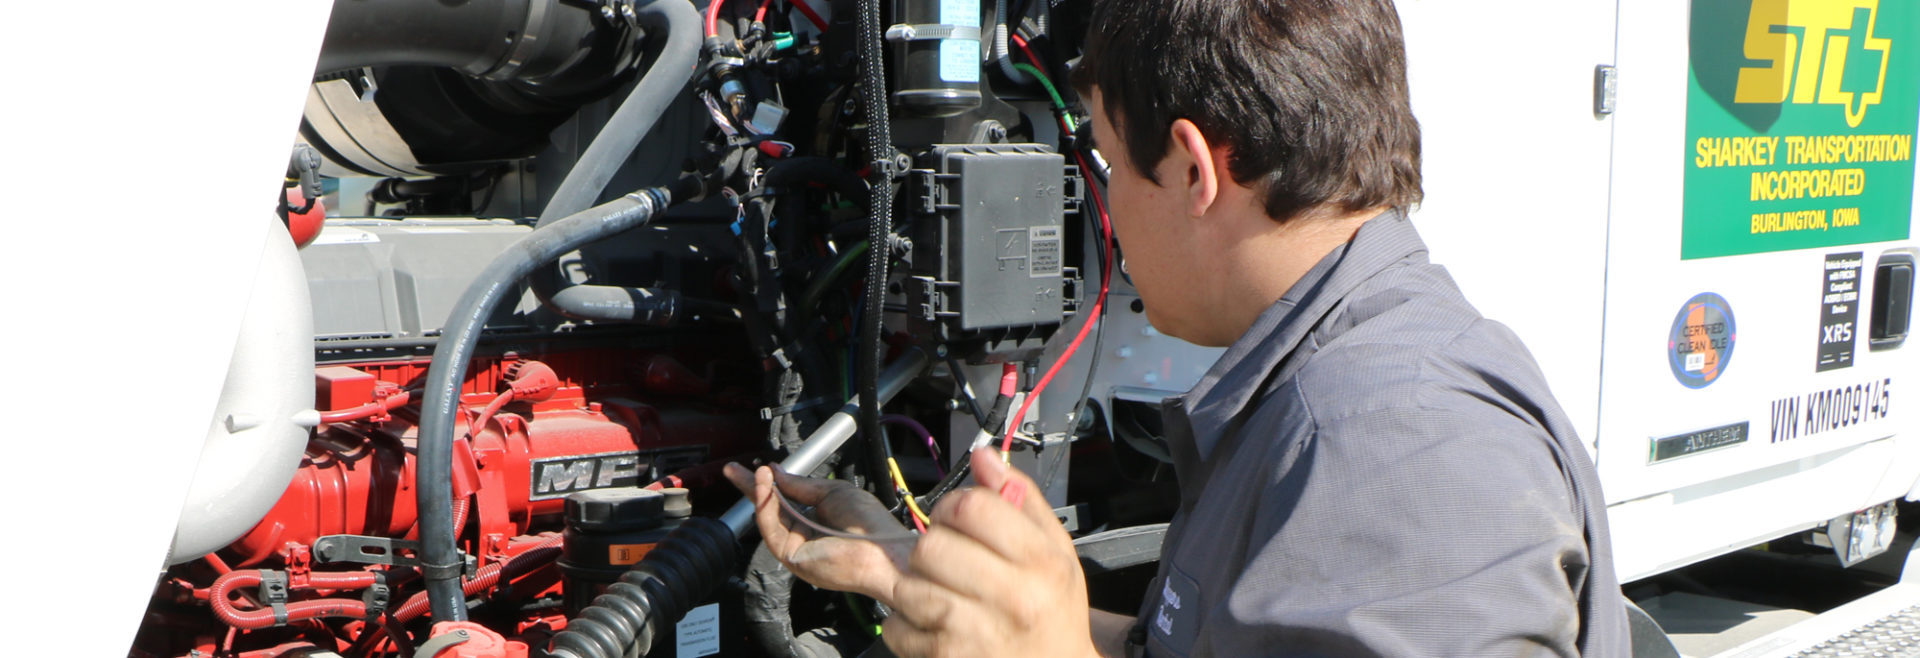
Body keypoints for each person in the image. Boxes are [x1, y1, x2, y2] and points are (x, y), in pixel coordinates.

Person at [725, 0, 1630, 655]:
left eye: (1109, 162)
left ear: (1195, 169)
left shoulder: (1395, 445)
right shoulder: (1336, 385)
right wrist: (942, 581)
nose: (1104, 201)